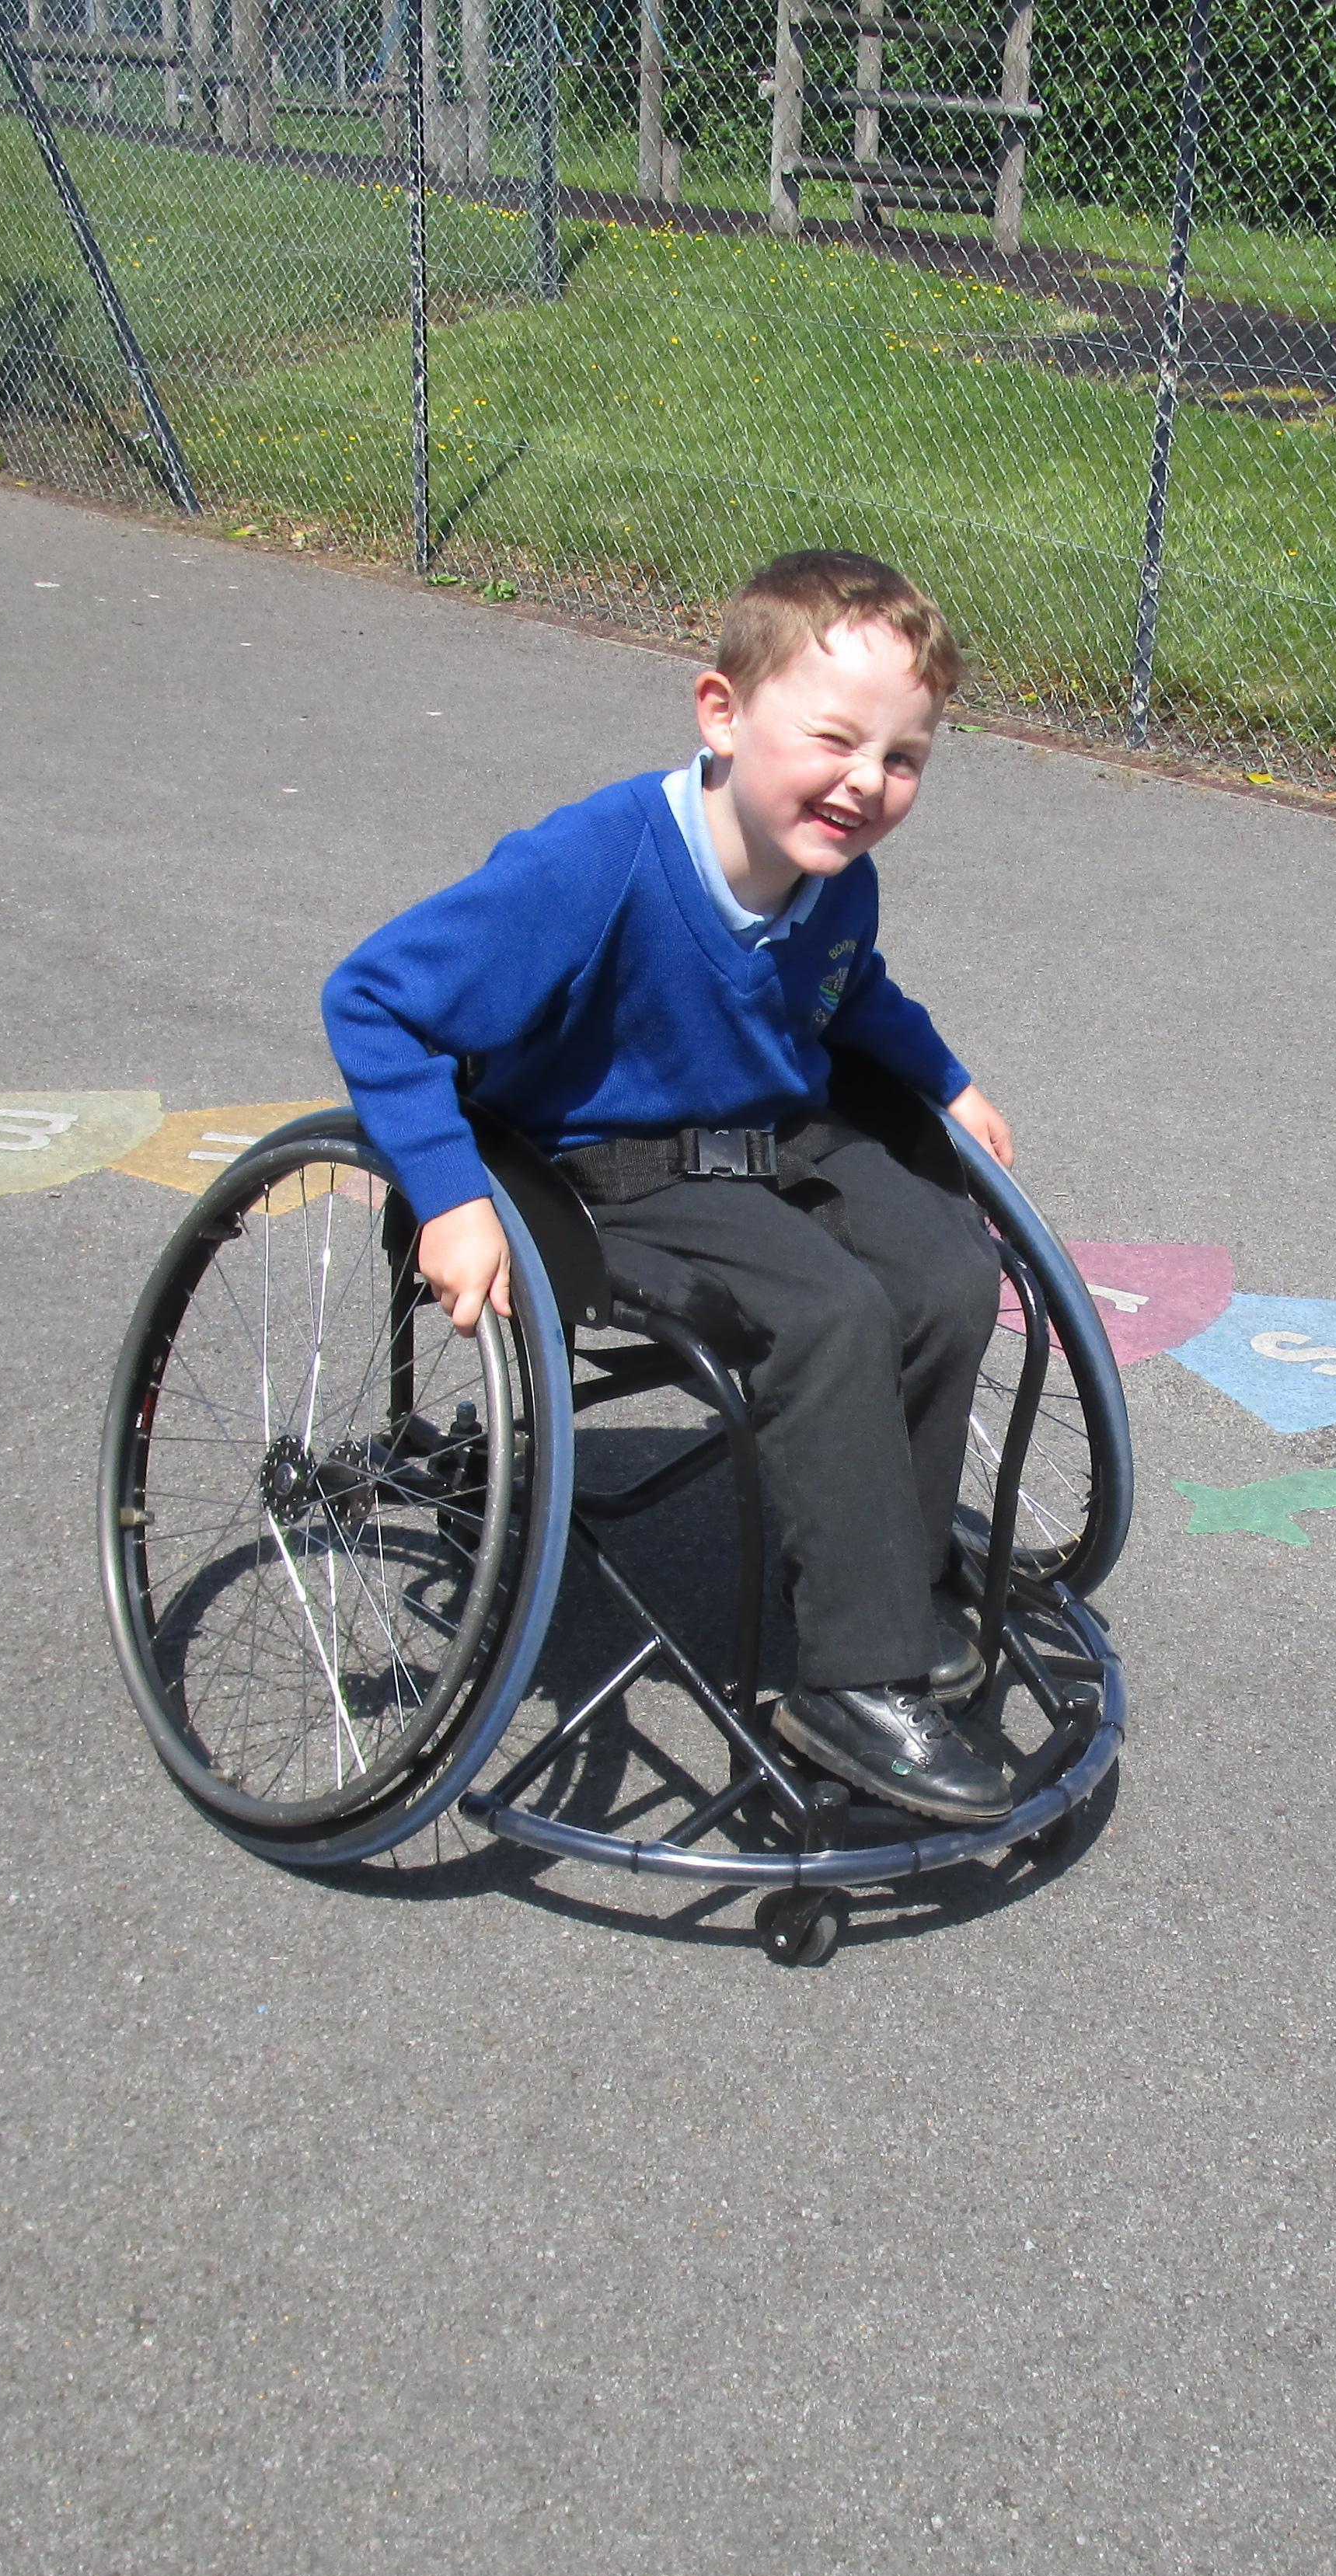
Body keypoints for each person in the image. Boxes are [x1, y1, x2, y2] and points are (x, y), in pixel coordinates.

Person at [320, 551, 1020, 1824]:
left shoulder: (833, 874)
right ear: (722, 712)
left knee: (950, 1275)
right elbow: (373, 1001)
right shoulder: (594, 866)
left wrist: (944, 1076)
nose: (866, 783)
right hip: (606, 1166)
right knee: (828, 1315)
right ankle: (849, 1684)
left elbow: (849, 989)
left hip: (774, 1134)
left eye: (903, 759)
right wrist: (452, 1195)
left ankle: (890, 1588)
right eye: (834, 741)